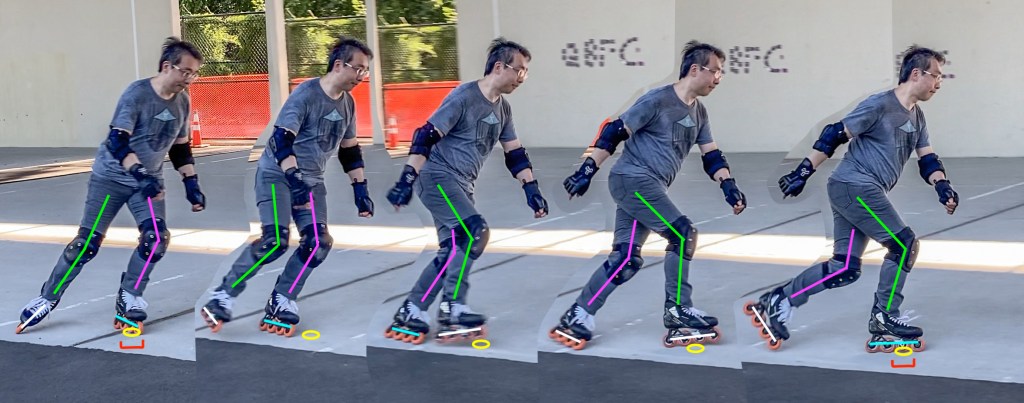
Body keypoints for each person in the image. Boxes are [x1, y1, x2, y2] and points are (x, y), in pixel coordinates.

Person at [745, 45, 957, 352]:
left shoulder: (917, 117)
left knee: (844, 268)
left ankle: (778, 300)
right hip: (855, 186)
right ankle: (884, 319)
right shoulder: (879, 105)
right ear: (916, 74)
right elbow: (834, 134)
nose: (939, 83)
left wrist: (942, 186)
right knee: (904, 245)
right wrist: (803, 171)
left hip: (852, 190)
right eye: (936, 76)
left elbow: (928, 160)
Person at [549, 40, 747, 350]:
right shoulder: (657, 100)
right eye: (716, 71)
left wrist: (728, 185)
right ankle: (678, 310)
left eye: (722, 73)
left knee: (626, 259)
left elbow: (712, 156)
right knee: (683, 235)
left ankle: (578, 314)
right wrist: (587, 169)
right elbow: (614, 131)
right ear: (695, 69)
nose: (719, 78)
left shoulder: (700, 113)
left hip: (645, 187)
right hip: (634, 181)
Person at [16, 37, 207, 334]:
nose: (190, 79)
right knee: (85, 245)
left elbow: (180, 147)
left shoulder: (183, 101)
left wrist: (191, 182)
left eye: (194, 74)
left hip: (147, 183)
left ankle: (130, 294)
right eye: (186, 72)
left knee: (156, 239)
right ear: (167, 67)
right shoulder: (137, 94)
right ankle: (46, 298)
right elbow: (118, 141)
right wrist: (140, 173)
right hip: (112, 179)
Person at [200, 36, 375, 337]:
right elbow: (281, 140)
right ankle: (222, 295)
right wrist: (294, 179)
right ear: (338, 65)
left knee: (318, 243)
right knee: (275, 240)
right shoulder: (306, 94)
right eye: (358, 69)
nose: (362, 76)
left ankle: (282, 299)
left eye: (365, 70)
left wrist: (360, 189)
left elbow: (350, 150)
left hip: (311, 182)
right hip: (277, 176)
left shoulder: (348, 104)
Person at [383, 37, 549, 344]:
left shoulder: (504, 109)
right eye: (520, 71)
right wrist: (407, 179)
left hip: (462, 184)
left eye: (526, 72)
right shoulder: (464, 97)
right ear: (500, 67)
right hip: (437, 176)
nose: (522, 78)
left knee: (451, 251)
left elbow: (514, 152)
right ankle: (452, 308)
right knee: (473, 232)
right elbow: (425, 135)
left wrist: (531, 188)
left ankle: (412, 310)